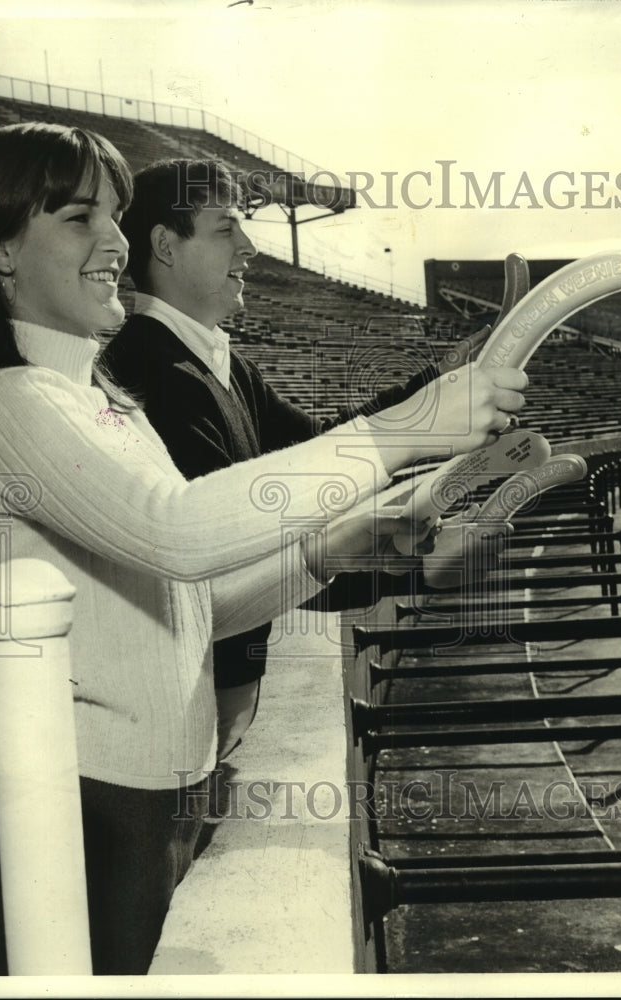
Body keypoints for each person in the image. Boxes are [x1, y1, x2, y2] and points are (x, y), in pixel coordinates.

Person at [0, 122, 526, 976]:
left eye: (115, 215)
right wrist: (401, 429)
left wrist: (323, 555)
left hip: (152, 791)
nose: (113, 241)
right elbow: (173, 530)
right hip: (82, 800)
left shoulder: (98, 399)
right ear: (0, 249)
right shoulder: (6, 401)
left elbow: (189, 605)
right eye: (78, 217)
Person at [102, 158, 496, 761]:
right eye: (226, 228)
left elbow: (318, 447)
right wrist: (411, 570)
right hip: (173, 709)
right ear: (165, 246)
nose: (250, 246)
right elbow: (243, 562)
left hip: (212, 691)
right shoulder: (151, 373)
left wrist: (438, 381)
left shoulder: (217, 363)